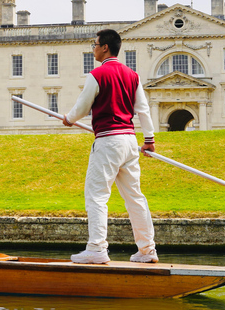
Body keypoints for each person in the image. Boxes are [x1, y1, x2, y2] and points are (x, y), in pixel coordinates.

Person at [62, 29, 158, 265]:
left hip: (107, 140)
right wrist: (149, 140)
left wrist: (69, 118)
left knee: (96, 196)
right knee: (135, 197)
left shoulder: (97, 74)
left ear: (105, 47)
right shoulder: (132, 75)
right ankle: (147, 250)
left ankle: (96, 248)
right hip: (129, 142)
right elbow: (143, 110)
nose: (92, 48)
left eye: (94, 44)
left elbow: (83, 107)